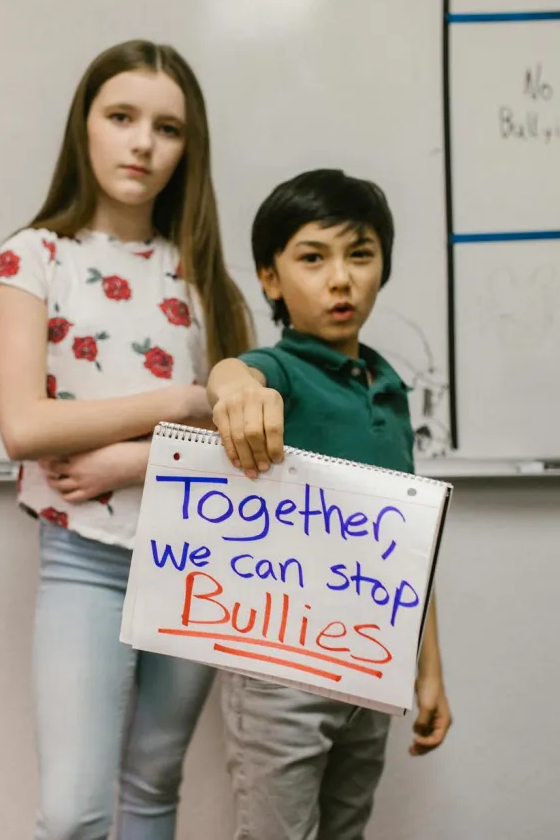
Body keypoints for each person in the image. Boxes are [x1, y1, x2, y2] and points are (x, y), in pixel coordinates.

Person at [0, 40, 254, 840]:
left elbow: (247, 446)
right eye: (122, 117)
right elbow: (24, 426)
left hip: (194, 551)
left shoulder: (205, 276)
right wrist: (184, 399)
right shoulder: (32, 258)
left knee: (153, 782)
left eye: (168, 128)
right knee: (73, 811)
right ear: (85, 127)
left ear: (188, 148)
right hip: (86, 558)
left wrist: (133, 457)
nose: (143, 143)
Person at [205, 168, 452, 840]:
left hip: (371, 663)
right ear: (271, 277)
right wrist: (234, 390)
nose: (340, 278)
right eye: (313, 257)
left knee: (348, 830)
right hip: (281, 669)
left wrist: (427, 669)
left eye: (360, 255)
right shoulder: (279, 372)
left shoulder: (391, 388)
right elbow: (234, 373)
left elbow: (408, 539)